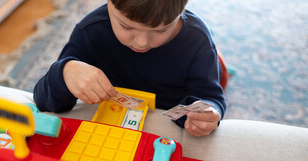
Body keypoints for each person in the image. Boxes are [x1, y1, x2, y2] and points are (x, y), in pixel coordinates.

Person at [33, 0, 226, 137]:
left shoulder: (198, 41)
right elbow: (44, 102)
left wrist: (207, 115)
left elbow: (211, 98)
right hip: (112, 124)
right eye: (126, 26)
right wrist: (66, 72)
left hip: (164, 131)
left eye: (160, 30)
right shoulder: (91, 31)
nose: (141, 42)